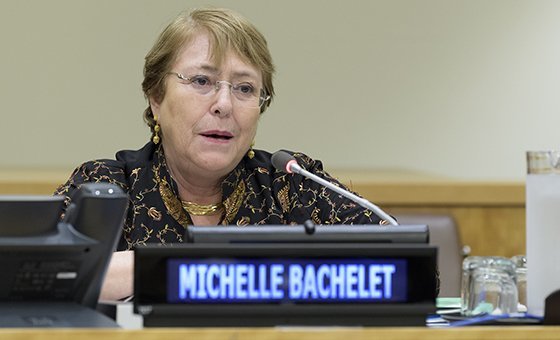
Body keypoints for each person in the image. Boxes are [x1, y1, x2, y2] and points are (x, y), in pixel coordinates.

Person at [55, 7, 386, 301]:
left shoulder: (293, 186)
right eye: (202, 80)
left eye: (244, 88)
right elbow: (32, 278)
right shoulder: (105, 188)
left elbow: (408, 270)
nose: (224, 105)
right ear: (156, 97)